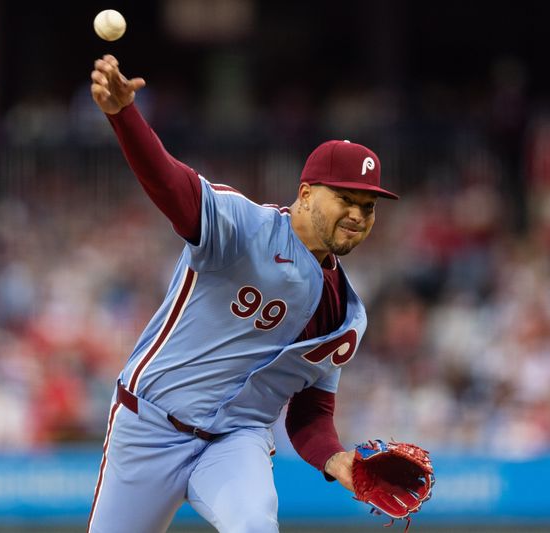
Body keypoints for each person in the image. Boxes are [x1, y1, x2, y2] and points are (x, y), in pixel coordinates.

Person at [87, 54, 399, 533]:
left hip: (235, 441)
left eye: (368, 206)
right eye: (346, 199)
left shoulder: (342, 312)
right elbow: (171, 185)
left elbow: (311, 411)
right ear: (308, 192)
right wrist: (124, 116)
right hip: (149, 426)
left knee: (254, 523)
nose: (359, 215)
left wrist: (336, 460)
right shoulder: (243, 228)